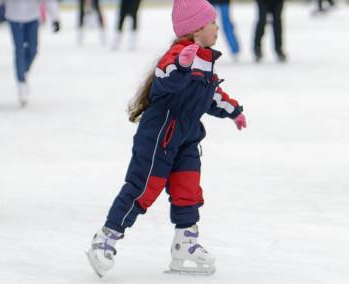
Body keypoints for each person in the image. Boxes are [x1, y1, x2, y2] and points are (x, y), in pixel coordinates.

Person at [86, 0, 247, 278]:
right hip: (159, 134)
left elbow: (211, 96)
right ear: (196, 29)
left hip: (186, 137)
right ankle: (106, 239)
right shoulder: (177, 55)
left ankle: (185, 244)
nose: (217, 27)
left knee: (188, 189)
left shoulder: (207, 60)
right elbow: (165, 78)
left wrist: (234, 111)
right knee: (144, 187)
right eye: (212, 23)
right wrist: (182, 65)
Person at [4, 0, 60, 107]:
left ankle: (23, 72)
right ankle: (21, 83)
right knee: (19, 49)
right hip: (14, 17)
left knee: (33, 50)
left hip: (32, 17)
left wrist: (55, 18)